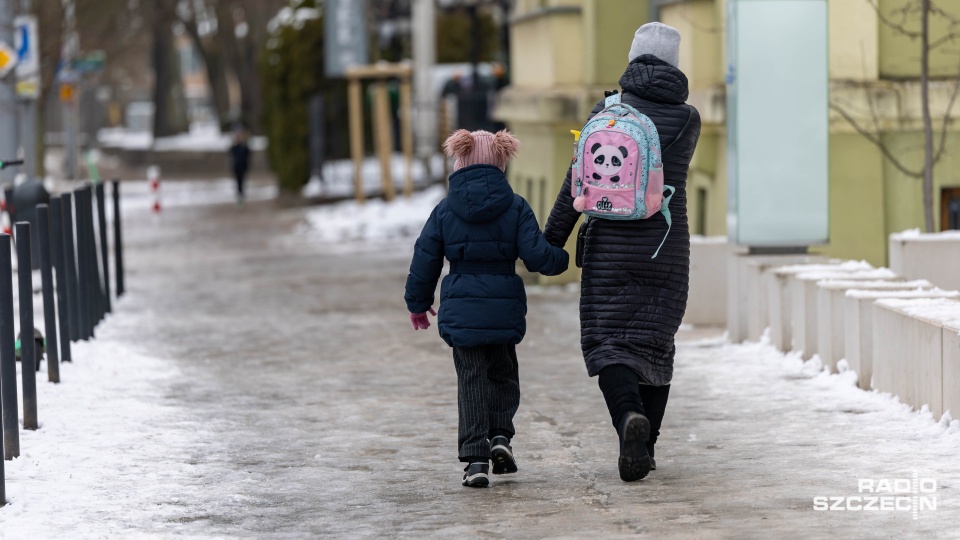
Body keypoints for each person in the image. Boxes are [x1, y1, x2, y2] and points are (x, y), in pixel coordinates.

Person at [543, 22, 701, 482]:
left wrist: (551, 241)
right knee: (655, 343)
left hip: (609, 245)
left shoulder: (608, 110)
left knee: (608, 343)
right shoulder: (689, 119)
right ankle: (644, 447)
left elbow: (577, 181)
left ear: (633, 58)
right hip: (665, 247)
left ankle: (628, 417)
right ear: (674, 63)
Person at [404, 129, 569, 488]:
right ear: (500, 160)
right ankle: (500, 437)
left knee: (472, 379)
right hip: (503, 307)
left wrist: (418, 303)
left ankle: (476, 460)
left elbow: (425, 257)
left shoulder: (446, 210)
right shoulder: (515, 206)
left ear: (459, 159)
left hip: (462, 307)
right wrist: (564, 259)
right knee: (504, 373)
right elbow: (539, 256)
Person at [229, 128, 251, 205]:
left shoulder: (244, 147)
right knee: (238, 183)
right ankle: (239, 197)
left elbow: (248, 153)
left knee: (242, 182)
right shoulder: (235, 147)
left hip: (242, 167)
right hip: (236, 167)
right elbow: (230, 151)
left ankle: (241, 196)